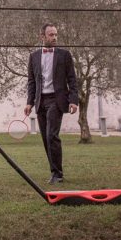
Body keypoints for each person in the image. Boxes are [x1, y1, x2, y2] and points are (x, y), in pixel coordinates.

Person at [24, 24, 78, 185]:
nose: (54, 38)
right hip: (41, 101)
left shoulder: (64, 55)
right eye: (51, 35)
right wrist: (29, 103)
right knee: (45, 138)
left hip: (57, 100)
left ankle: (57, 174)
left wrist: (73, 100)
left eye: (56, 34)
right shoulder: (33, 56)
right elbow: (32, 82)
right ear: (42, 36)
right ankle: (54, 171)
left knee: (51, 135)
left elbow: (72, 79)